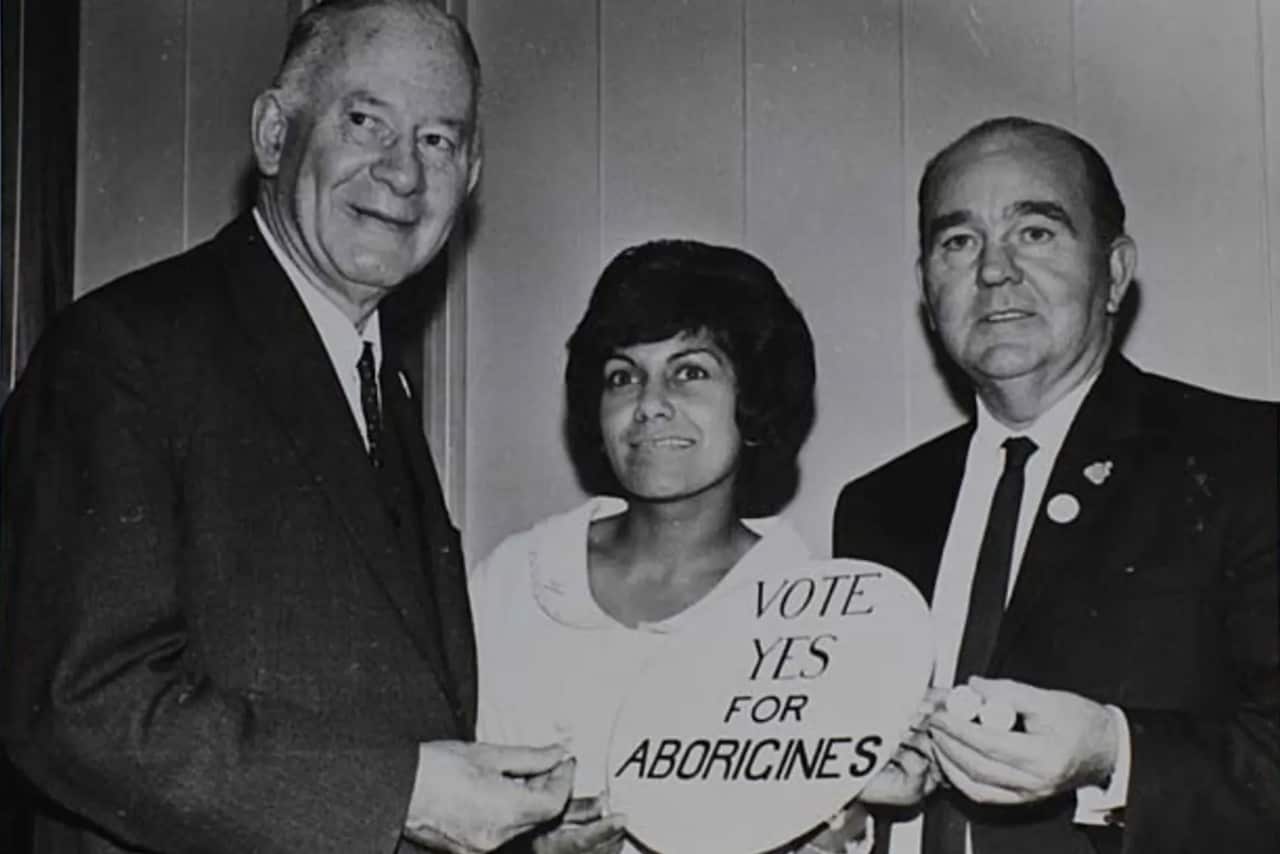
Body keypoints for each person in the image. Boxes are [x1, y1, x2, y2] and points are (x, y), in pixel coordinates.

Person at [0, 2, 574, 852]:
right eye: (365, 121)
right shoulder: (125, 349)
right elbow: (79, 702)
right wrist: (407, 799)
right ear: (274, 134)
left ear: (472, 172)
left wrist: (502, 832)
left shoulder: (375, 380)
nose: (403, 174)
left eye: (437, 140)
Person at [833, 115, 1280, 854]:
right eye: (958, 241)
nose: (994, 271)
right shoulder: (877, 507)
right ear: (926, 288)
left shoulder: (1249, 459)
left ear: (1115, 272)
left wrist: (1115, 755)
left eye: (1035, 232)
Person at [469, 240, 874, 853]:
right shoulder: (514, 583)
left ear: (754, 397)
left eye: (689, 372)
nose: (650, 405)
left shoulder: (815, 616)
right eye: (622, 377)